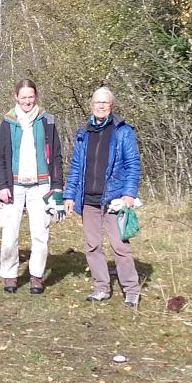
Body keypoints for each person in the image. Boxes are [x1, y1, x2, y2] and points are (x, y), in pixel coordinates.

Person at [63, 86, 143, 307]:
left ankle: (131, 290)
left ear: (111, 106)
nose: (101, 106)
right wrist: (69, 195)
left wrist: (129, 193)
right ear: (91, 106)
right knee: (92, 246)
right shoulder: (83, 132)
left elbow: (133, 164)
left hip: (114, 200)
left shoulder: (122, 131)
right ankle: (101, 287)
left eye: (105, 103)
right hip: (88, 200)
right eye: (97, 102)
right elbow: (76, 166)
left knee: (120, 246)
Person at [0, 79, 64, 295]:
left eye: (31, 97)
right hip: (13, 186)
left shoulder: (47, 120)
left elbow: (56, 155)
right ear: (16, 97)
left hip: (41, 185)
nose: (27, 101)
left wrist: (57, 185)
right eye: (23, 97)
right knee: (9, 235)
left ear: (36, 96)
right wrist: (2, 185)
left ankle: (36, 276)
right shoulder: (8, 121)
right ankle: (10, 274)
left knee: (40, 234)